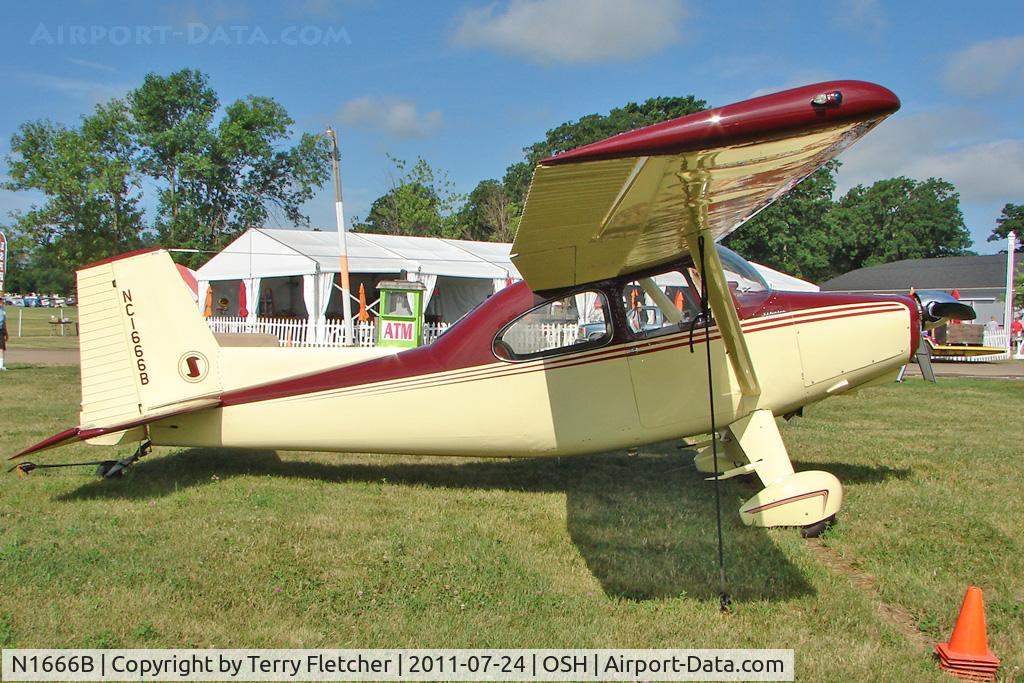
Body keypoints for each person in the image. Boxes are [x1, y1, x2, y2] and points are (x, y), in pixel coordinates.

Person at [0, 302, 8, 371]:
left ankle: (1, 365)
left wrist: (6, 333)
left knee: (1, 348)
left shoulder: (3, 311)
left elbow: (4, 322)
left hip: (1, 331)